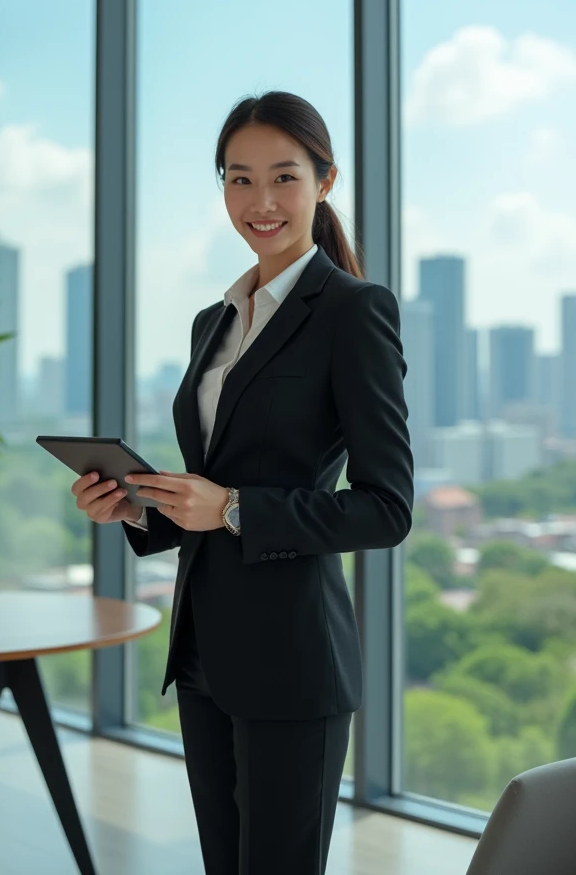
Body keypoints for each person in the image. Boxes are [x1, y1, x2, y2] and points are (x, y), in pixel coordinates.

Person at [71, 90, 414, 875]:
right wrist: (134, 508)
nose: (261, 202)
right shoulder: (212, 321)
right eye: (239, 178)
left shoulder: (354, 312)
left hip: (294, 661)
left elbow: (387, 510)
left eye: (284, 178)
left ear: (325, 182)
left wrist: (228, 509)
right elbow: (210, 489)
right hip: (204, 653)